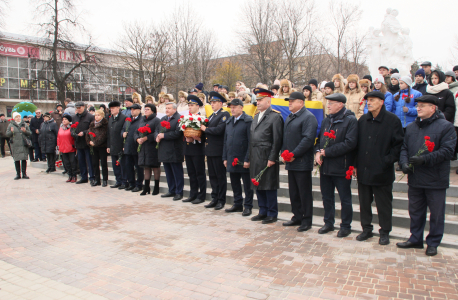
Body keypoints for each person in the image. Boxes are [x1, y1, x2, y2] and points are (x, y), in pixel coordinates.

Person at [397, 95, 456, 256]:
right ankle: (415, 238)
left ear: (433, 108)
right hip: (415, 178)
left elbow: (447, 151)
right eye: (418, 105)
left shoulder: (445, 127)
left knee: (436, 213)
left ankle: (433, 242)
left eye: (423, 105)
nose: (419, 108)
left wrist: (424, 159)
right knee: (415, 211)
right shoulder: (411, 127)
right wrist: (403, 164)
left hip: (435, 178)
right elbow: (404, 148)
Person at [355, 91, 404, 245]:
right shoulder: (363, 120)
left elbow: (398, 145)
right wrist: (356, 164)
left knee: (383, 204)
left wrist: (387, 161)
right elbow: (357, 145)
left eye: (372, 100)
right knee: (364, 202)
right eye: (367, 100)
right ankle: (366, 229)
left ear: (381, 102)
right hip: (364, 170)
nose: (368, 103)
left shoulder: (392, 121)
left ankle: (384, 232)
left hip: (382, 171)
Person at [315, 93, 357, 237]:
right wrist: (317, 152)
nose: (328, 105)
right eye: (328, 103)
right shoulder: (327, 121)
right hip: (325, 166)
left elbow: (349, 143)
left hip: (341, 166)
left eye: (331, 103)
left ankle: (345, 226)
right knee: (326, 196)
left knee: (345, 198)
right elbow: (319, 139)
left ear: (340, 104)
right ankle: (328, 223)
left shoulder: (350, 120)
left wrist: (327, 152)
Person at [281, 92, 317, 231]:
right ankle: (297, 216)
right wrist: (284, 153)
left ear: (301, 103)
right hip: (291, 161)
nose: (289, 103)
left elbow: (308, 139)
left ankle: (307, 220)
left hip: (302, 161)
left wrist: (294, 154)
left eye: (292, 101)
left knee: (304, 192)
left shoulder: (308, 117)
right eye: (288, 101)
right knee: (294, 192)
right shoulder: (290, 116)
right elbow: (286, 137)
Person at [249, 88, 283, 224]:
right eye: (257, 100)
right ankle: (262, 210)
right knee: (258, 184)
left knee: (269, 185)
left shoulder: (275, 117)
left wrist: (272, 157)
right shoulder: (256, 116)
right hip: (255, 155)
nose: (257, 102)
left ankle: (272, 213)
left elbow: (277, 139)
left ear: (268, 102)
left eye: (260, 100)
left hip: (266, 155)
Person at [223, 98, 254, 216]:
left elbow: (250, 142)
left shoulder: (248, 121)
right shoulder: (229, 121)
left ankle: (248, 206)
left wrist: (247, 159)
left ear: (241, 108)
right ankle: (237, 204)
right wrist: (225, 157)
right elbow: (225, 141)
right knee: (235, 183)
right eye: (231, 107)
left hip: (243, 159)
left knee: (247, 185)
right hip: (231, 157)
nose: (232, 109)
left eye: (235, 107)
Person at [200, 92, 230, 210]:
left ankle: (221, 200)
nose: (212, 104)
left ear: (220, 103)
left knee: (220, 176)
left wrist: (205, 129)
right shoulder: (212, 115)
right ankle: (214, 198)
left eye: (214, 102)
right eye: (211, 102)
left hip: (218, 150)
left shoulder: (224, 114)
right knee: (212, 176)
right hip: (210, 150)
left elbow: (219, 130)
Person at [155, 102, 185, 200]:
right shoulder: (163, 118)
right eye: (166, 108)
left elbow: (178, 133)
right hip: (164, 149)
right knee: (168, 172)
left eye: (169, 108)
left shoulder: (179, 118)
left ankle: (179, 192)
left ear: (175, 109)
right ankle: (171, 190)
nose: (166, 110)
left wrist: (164, 136)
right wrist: (157, 136)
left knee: (177, 172)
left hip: (175, 149)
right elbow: (157, 129)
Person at [182, 95, 207, 204]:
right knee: (191, 173)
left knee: (199, 173)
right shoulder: (186, 118)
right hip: (188, 148)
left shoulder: (202, 118)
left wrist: (198, 139)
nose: (190, 107)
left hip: (198, 149)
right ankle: (193, 194)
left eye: (192, 105)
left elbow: (205, 135)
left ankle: (201, 196)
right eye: (189, 105)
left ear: (198, 106)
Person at [136, 103, 161, 195]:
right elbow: (136, 131)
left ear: (153, 111)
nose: (145, 111)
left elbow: (157, 132)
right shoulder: (142, 120)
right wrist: (137, 139)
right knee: (146, 166)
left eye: (148, 109)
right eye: (145, 109)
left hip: (152, 146)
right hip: (143, 146)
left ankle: (156, 187)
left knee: (154, 166)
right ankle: (146, 187)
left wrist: (147, 138)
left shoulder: (156, 120)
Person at [121, 104, 144, 192]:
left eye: (134, 109)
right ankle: (131, 183)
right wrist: (122, 133)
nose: (132, 111)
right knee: (128, 166)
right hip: (127, 147)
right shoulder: (128, 119)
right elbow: (123, 129)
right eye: (131, 109)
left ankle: (139, 184)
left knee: (138, 167)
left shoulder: (141, 119)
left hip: (136, 147)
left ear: (139, 110)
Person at [72, 101, 95, 184]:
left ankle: (92, 177)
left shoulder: (90, 117)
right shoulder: (74, 117)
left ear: (83, 107)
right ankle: (83, 177)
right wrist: (73, 133)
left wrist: (84, 132)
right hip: (78, 142)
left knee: (89, 161)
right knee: (81, 161)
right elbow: (72, 128)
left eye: (79, 108)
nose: (78, 109)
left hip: (87, 142)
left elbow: (92, 128)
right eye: (77, 108)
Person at [107, 101, 127, 189]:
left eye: (113, 108)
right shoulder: (110, 118)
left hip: (120, 144)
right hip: (112, 145)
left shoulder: (124, 118)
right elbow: (109, 133)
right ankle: (118, 181)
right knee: (115, 165)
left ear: (118, 108)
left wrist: (124, 145)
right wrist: (108, 146)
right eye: (110, 108)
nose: (111, 110)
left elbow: (125, 132)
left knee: (122, 164)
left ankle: (124, 181)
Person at [86, 109, 109, 187]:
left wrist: (95, 142)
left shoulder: (105, 123)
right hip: (93, 147)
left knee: (103, 163)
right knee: (95, 163)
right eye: (95, 115)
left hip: (102, 146)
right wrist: (89, 141)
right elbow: (88, 133)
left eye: (98, 115)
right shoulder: (92, 124)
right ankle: (97, 180)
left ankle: (105, 180)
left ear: (102, 116)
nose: (96, 117)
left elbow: (104, 135)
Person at [6, 112, 32, 179]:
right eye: (16, 117)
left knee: (24, 159)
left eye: (19, 117)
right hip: (15, 145)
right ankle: (18, 174)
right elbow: (7, 134)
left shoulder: (24, 124)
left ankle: (24, 174)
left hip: (23, 144)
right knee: (17, 160)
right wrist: (11, 132)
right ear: (14, 118)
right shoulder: (11, 125)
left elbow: (30, 133)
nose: (18, 118)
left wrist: (25, 131)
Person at [57, 114, 77, 183]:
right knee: (66, 163)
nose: (64, 121)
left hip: (71, 148)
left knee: (72, 162)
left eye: (65, 119)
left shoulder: (72, 128)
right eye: (63, 119)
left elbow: (74, 138)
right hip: (63, 148)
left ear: (69, 120)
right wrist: (58, 147)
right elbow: (58, 138)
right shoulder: (61, 128)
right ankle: (70, 175)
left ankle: (74, 176)